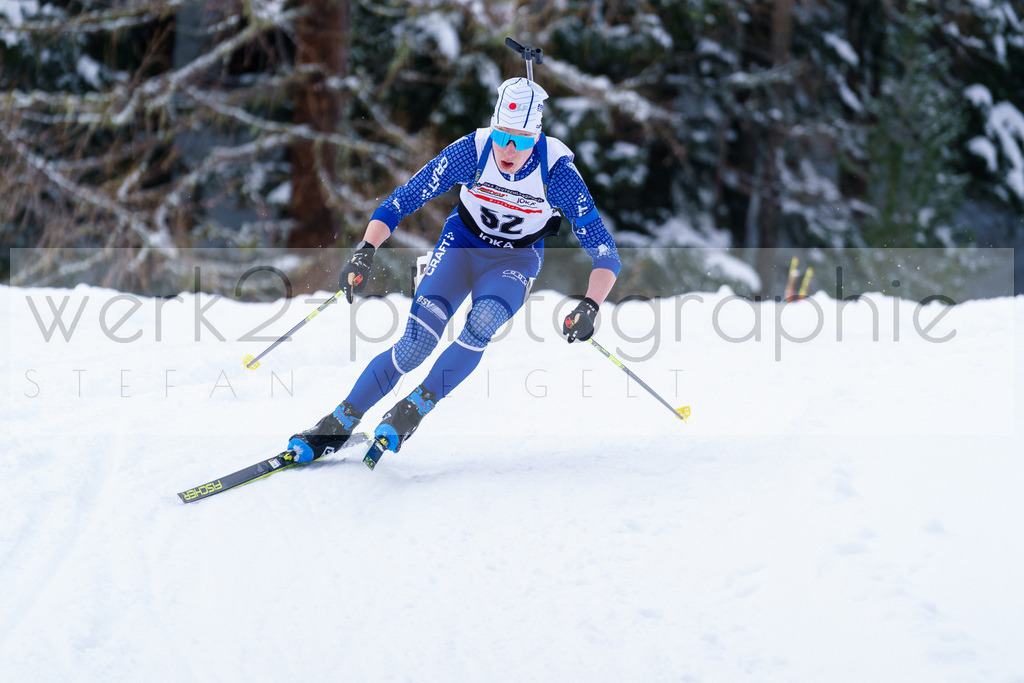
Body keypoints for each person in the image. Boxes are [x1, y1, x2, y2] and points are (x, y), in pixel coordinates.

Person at [286, 76, 621, 462]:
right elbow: (403, 199)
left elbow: (605, 252)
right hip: (462, 245)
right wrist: (365, 249)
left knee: (484, 320)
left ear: (537, 137)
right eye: (503, 135)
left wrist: (591, 305)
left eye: (522, 140)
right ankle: (337, 424)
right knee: (415, 345)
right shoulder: (471, 151)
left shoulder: (558, 173)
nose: (509, 149)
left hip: (515, 260)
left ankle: (414, 408)